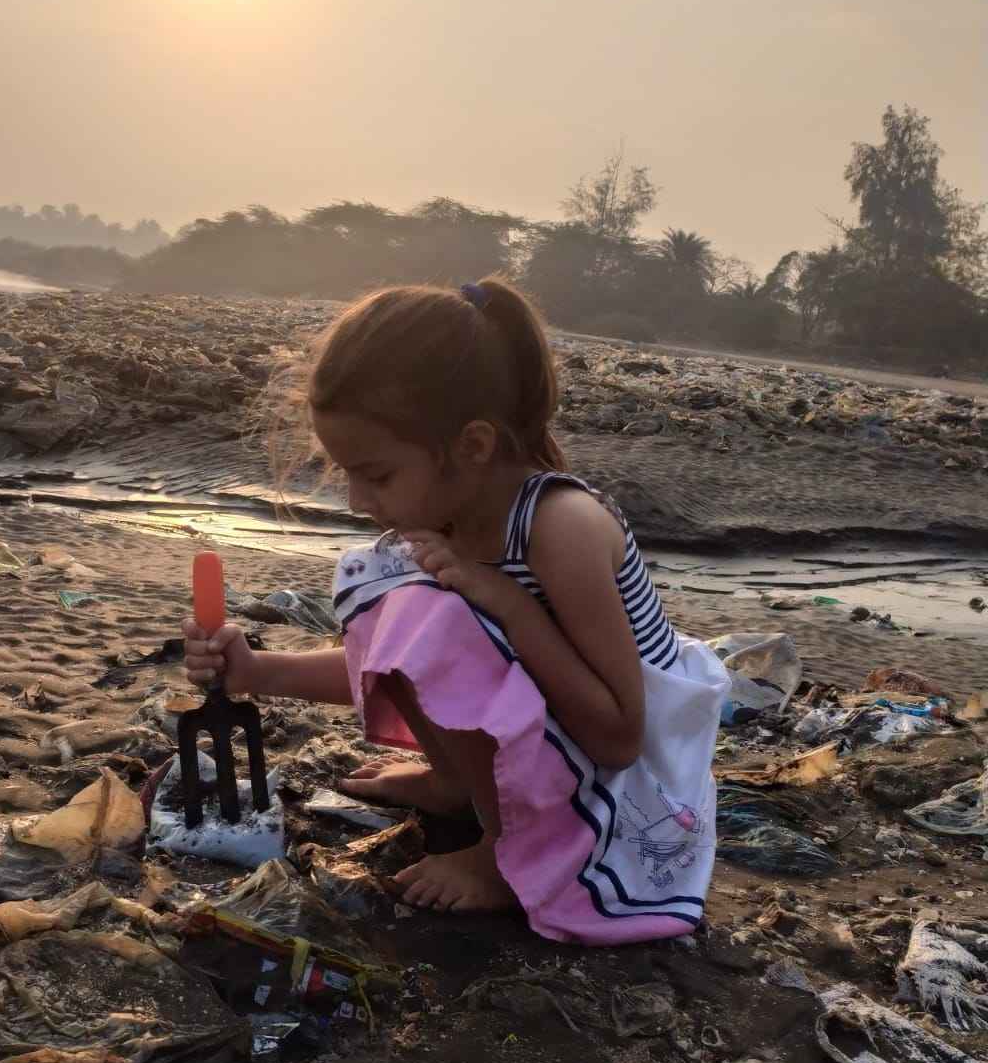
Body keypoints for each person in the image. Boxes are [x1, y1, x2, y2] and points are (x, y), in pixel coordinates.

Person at [183, 278, 729, 946]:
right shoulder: (449, 519)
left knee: (436, 613)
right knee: (401, 596)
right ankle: (457, 785)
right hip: (574, 748)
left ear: (472, 446)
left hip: (635, 792)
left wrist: (506, 602)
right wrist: (257, 670)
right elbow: (400, 655)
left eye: (377, 476)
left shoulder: (561, 527)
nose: (356, 499)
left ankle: (505, 854)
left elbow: (619, 735)